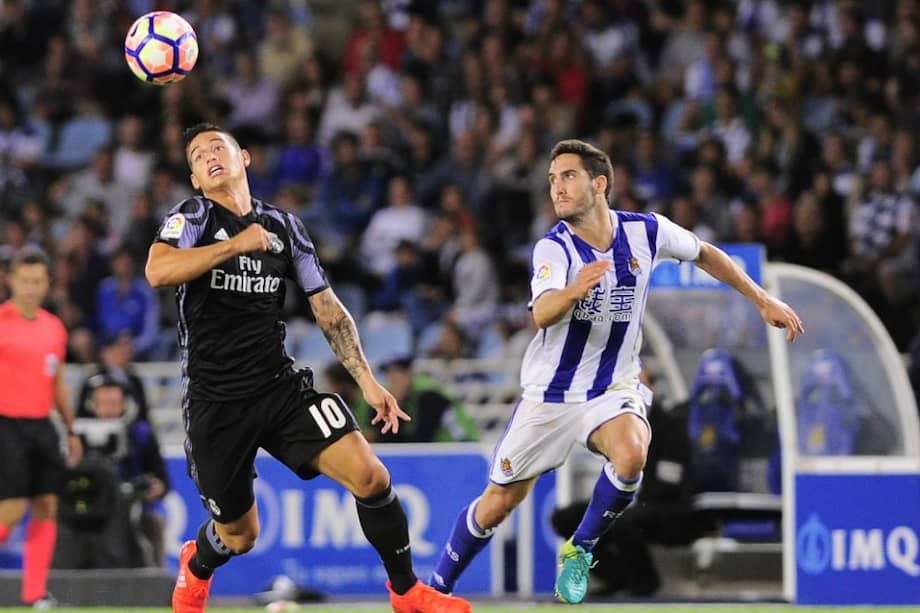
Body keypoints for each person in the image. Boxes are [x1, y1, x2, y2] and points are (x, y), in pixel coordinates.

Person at [428, 139, 804, 604]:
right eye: (551, 180)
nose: (557, 188)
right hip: (551, 394)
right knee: (499, 503)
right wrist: (574, 291)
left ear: (599, 183)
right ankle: (433, 590)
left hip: (612, 385)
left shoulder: (646, 232)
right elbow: (542, 313)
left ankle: (580, 549)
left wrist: (763, 299)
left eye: (568, 176)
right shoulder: (554, 249)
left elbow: (707, 253)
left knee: (630, 456)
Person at [144, 122, 471, 613]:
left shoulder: (284, 227)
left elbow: (327, 308)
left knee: (372, 477)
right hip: (217, 401)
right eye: (197, 155)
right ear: (194, 179)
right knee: (240, 534)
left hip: (279, 387)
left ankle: (407, 593)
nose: (209, 156)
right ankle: (197, 564)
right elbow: (157, 270)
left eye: (218, 146)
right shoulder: (192, 215)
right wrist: (233, 245)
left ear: (245, 158)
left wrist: (367, 381)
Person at [0, 247, 83, 608]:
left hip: (42, 426)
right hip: (6, 425)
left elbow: (58, 384)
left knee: (47, 506)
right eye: (24, 280)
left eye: (37, 281)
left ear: (47, 283)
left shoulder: (54, 329)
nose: (31, 288)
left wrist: (70, 428)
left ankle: (34, 593)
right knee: (13, 509)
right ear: (10, 281)